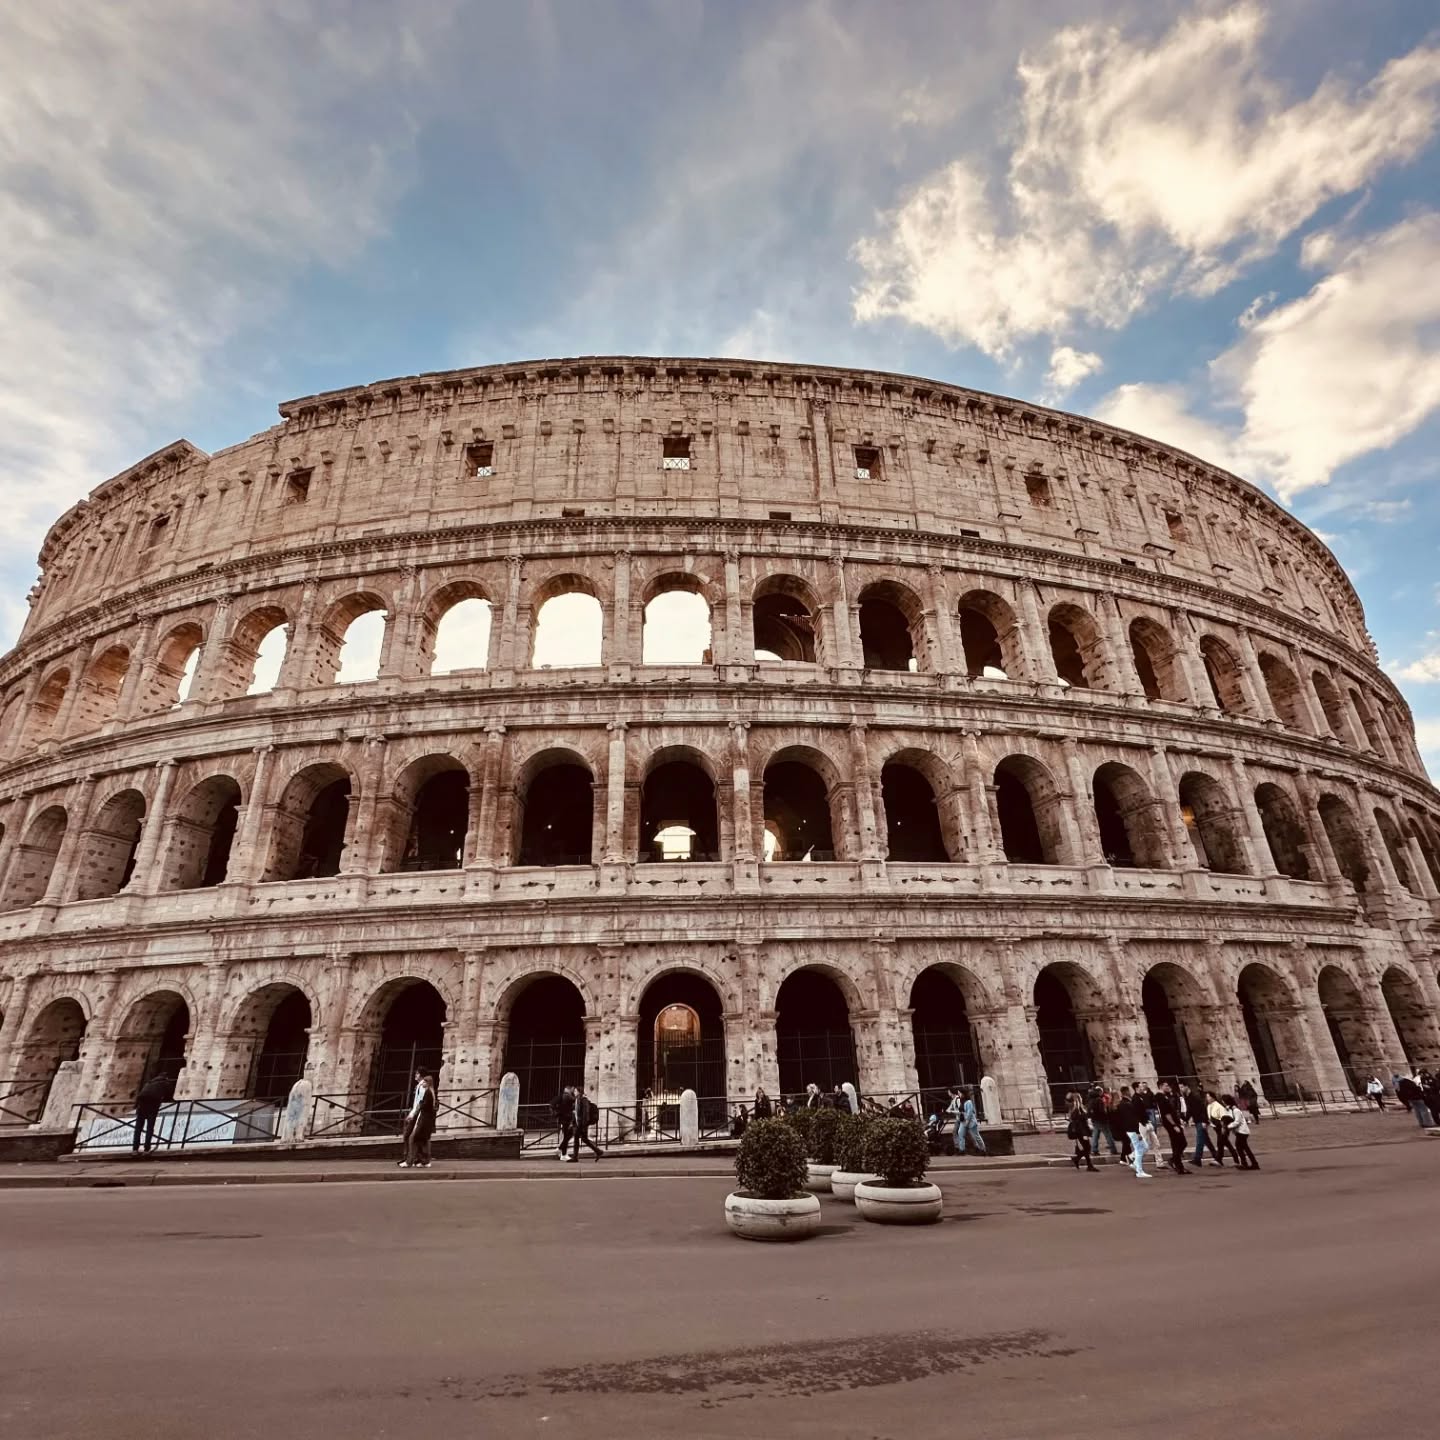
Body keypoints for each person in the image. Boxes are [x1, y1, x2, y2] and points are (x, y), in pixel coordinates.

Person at [398, 1069, 437, 1169]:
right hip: (422, 1119)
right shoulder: (428, 1092)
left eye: (425, 1082)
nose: (422, 1083)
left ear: (428, 1083)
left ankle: (410, 1161)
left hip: (422, 1119)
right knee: (420, 1139)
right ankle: (421, 1160)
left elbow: (421, 1105)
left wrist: (413, 1114)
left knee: (412, 1138)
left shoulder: (427, 1093)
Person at [132, 1071, 171, 1155]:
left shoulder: (149, 1083)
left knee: (138, 1128)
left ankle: (135, 1149)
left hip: (141, 1105)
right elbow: (168, 1096)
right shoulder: (165, 1083)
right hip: (152, 1106)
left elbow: (140, 1095)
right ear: (167, 1078)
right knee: (149, 1128)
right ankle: (147, 1149)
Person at [1113, 1087, 1149, 1178]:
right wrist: (1137, 1132)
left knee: (1144, 1147)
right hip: (1131, 1129)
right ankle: (1139, 1170)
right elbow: (1131, 1119)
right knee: (1140, 1148)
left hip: (1129, 1129)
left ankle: (1133, 1160)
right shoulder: (1126, 1104)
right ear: (1127, 1092)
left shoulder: (1123, 1104)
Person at [1156, 1081, 1189, 1174]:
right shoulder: (1161, 1097)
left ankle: (1179, 1166)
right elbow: (1166, 1113)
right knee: (1182, 1142)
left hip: (1174, 1121)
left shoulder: (1166, 1096)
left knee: (1176, 1144)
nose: (1168, 1087)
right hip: (1171, 1124)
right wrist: (1174, 1125)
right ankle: (1174, 1160)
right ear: (1161, 1086)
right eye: (1166, 1085)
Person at [1184, 1083, 1221, 1166]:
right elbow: (1190, 1110)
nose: (1181, 1089)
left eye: (1182, 1087)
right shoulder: (1189, 1097)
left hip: (1201, 1120)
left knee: (1200, 1140)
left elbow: (1203, 1108)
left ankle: (1197, 1159)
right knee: (1206, 1140)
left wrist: (1205, 1121)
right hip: (1198, 1120)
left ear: (1187, 1086)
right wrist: (1186, 1119)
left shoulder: (1194, 1097)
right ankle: (1216, 1156)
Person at [568, 1083, 603, 1161]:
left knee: (579, 1139)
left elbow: (585, 1113)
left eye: (575, 1091)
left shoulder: (584, 1100)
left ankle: (575, 1157)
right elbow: (577, 1112)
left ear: (579, 1092)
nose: (574, 1092)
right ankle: (598, 1151)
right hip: (578, 1123)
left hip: (582, 1124)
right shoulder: (577, 1099)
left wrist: (584, 1125)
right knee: (583, 1139)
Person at [949, 1086, 987, 1156]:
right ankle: (962, 1150)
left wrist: (967, 1121)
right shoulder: (961, 1101)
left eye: (959, 1093)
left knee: (976, 1136)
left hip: (971, 1122)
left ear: (963, 1093)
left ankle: (983, 1149)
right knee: (960, 1133)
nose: (959, 1095)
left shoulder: (968, 1102)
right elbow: (961, 1111)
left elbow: (969, 1113)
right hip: (963, 1121)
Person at [1227, 1095, 1259, 1170]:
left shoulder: (1236, 1110)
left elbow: (1237, 1122)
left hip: (1242, 1132)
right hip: (1241, 1131)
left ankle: (1247, 1163)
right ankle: (1250, 1163)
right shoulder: (1232, 1110)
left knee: (1241, 1147)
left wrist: (1228, 1126)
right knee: (1242, 1148)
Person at [1206, 1090, 1239, 1164]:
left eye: (1208, 1096)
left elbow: (1224, 1117)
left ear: (1213, 1097)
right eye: (1207, 1097)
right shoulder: (1209, 1106)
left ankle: (1220, 1159)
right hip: (1216, 1127)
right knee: (1225, 1143)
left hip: (1222, 1127)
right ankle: (1227, 1158)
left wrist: (1223, 1127)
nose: (1207, 1098)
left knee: (1221, 1143)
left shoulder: (1218, 1106)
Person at [1066, 1092, 1097, 1172]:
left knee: (1087, 1148)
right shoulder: (1077, 1110)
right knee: (1088, 1148)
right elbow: (1080, 1123)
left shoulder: (1077, 1109)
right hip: (1081, 1132)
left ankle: (1088, 1164)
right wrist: (1084, 1134)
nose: (1082, 1098)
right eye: (1080, 1097)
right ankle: (1078, 1159)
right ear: (1079, 1099)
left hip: (1081, 1131)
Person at [1087, 1083, 1118, 1157]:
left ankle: (1094, 1150)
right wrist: (1106, 1116)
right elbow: (1102, 1110)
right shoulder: (1099, 1100)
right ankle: (1113, 1149)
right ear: (1098, 1092)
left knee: (1095, 1135)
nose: (1102, 1093)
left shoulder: (1090, 1100)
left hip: (1095, 1119)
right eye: (1101, 1092)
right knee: (1108, 1134)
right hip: (1102, 1119)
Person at [552, 1084, 576, 1157]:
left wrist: (557, 1113)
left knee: (566, 1135)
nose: (573, 1091)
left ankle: (563, 1153)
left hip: (563, 1118)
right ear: (568, 1089)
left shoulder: (562, 1096)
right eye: (572, 1089)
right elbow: (574, 1102)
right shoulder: (567, 1096)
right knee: (568, 1135)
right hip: (566, 1118)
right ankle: (562, 1151)